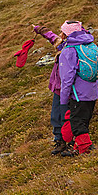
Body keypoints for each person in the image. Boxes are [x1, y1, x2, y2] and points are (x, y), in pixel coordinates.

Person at [57, 20, 98, 156]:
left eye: (62, 31)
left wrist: (63, 100)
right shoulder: (89, 44)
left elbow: (67, 79)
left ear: (66, 34)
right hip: (92, 90)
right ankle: (78, 148)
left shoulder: (69, 51)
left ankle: (86, 148)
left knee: (76, 122)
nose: (60, 34)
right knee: (84, 119)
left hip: (78, 94)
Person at [31, 23, 67, 155]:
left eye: (62, 32)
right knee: (58, 116)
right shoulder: (63, 44)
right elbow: (52, 37)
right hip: (62, 88)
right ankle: (61, 140)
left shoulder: (68, 48)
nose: (60, 34)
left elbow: (53, 38)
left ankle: (64, 141)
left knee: (61, 115)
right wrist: (40, 30)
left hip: (65, 89)